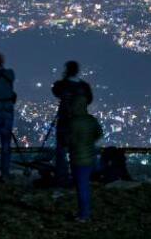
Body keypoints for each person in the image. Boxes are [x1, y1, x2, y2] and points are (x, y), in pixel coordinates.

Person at [51, 60, 93, 186]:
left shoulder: (62, 84)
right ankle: (78, 177)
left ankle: (61, 177)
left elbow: (55, 91)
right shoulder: (84, 86)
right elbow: (89, 100)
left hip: (65, 120)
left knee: (61, 150)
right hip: (79, 121)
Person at [67, 94, 103, 222]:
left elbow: (69, 140)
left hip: (78, 158)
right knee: (84, 185)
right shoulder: (91, 120)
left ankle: (84, 215)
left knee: (81, 187)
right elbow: (99, 133)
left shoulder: (73, 122)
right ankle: (84, 213)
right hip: (90, 157)